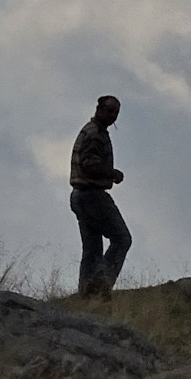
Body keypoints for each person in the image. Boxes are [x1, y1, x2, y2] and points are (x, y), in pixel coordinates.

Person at [69, 95, 131, 299]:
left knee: (92, 249)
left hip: (79, 196)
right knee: (122, 239)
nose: (113, 116)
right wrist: (112, 173)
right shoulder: (96, 134)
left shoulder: (91, 130)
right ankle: (99, 287)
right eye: (110, 111)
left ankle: (86, 294)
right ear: (99, 109)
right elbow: (89, 165)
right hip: (93, 195)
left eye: (116, 113)